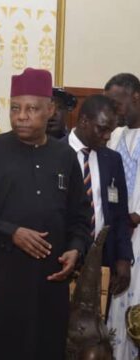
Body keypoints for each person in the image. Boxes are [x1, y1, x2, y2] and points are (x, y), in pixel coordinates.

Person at [0, 67, 91, 360]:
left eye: (31, 109)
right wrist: (12, 232)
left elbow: (81, 218)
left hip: (48, 289)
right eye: (16, 107)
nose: (21, 115)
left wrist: (75, 249)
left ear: (50, 110)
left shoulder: (65, 156)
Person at [65, 94, 133, 296]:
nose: (107, 137)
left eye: (110, 131)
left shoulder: (112, 159)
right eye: (102, 129)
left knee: (96, 323)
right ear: (84, 121)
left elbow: (120, 214)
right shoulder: (54, 152)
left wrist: (123, 258)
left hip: (103, 257)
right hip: (65, 256)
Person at [105, 73, 140, 359]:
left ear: (136, 97)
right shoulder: (115, 135)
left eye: (117, 104)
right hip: (119, 237)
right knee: (115, 313)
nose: (114, 112)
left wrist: (135, 216)